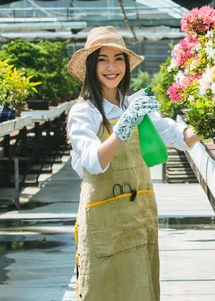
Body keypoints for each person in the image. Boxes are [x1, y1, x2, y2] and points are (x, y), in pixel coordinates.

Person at [66, 26, 202, 301]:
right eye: (102, 59)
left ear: (127, 66)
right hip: (104, 221)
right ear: (92, 66)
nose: (111, 67)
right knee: (104, 288)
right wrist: (122, 129)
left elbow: (180, 137)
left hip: (138, 216)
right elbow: (93, 162)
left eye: (119, 59)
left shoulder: (136, 106)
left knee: (141, 288)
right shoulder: (83, 113)